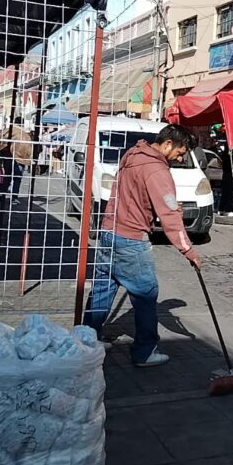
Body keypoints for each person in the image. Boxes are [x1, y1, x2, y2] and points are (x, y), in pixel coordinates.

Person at [83, 124, 203, 367]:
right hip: (131, 239)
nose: (180, 158)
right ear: (168, 144)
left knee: (103, 289)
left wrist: (169, 206)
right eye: (180, 153)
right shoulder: (157, 170)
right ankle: (144, 352)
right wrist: (188, 250)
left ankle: (86, 341)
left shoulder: (133, 154)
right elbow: (169, 216)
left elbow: (140, 196)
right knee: (146, 295)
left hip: (108, 232)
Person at [0, 125, 33, 205]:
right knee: (17, 179)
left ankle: (2, 194)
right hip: (20, 160)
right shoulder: (25, 135)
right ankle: (14, 198)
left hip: (8, 158)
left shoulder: (7, 131)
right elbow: (29, 149)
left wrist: (1, 155)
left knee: (7, 177)